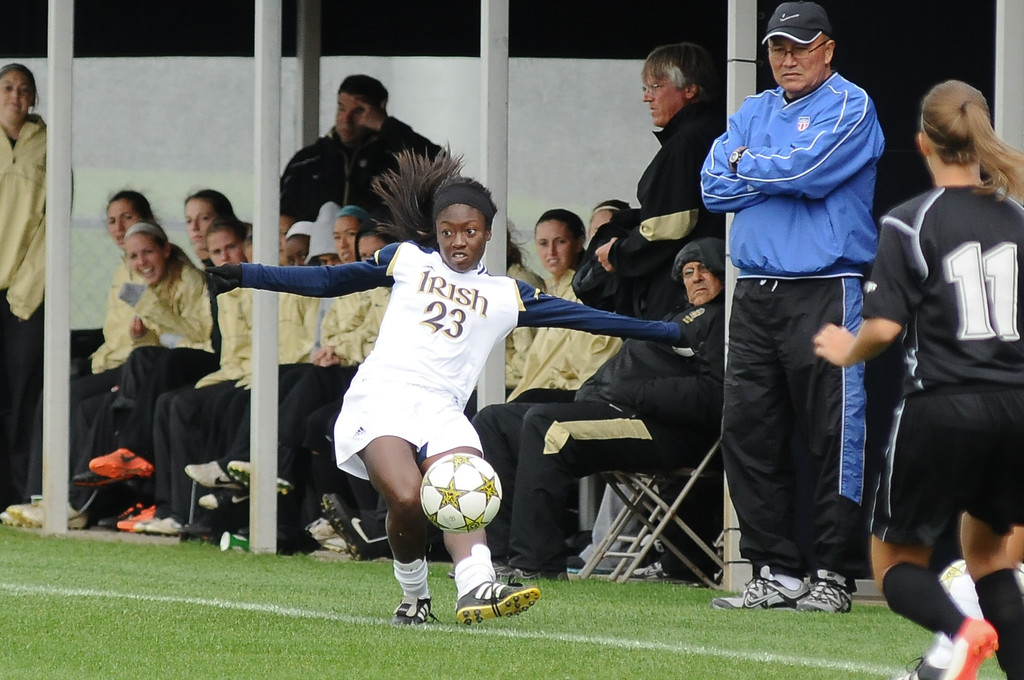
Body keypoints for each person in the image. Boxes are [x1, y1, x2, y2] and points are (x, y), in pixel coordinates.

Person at [208, 150, 687, 626]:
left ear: (488, 234)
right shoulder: (407, 259)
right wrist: (247, 274)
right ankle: (414, 595)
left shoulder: (506, 295)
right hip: (382, 397)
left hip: (441, 409)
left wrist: (675, 332)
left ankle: (475, 587)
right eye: (448, 232)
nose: (459, 242)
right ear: (436, 232)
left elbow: (592, 319)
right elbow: (331, 279)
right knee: (410, 497)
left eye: (471, 232)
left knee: (465, 486)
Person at [813, 79, 1024, 679]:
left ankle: (961, 634)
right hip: (1013, 408)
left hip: (941, 406)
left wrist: (846, 348)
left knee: (894, 564)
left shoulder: (910, 223)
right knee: (990, 561)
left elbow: (882, 327)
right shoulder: (1020, 218)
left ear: (922, 144)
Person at [700, 1, 886, 613]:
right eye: (778, 48)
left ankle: (832, 574)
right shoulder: (752, 109)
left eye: (799, 48)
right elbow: (709, 185)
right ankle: (775, 569)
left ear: (826, 50)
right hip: (754, 290)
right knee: (749, 431)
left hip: (825, 287)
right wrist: (760, 170)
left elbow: (809, 172)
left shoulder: (851, 104)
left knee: (833, 433)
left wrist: (746, 165)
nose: (787, 59)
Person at [475, 237, 724, 578]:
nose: (696, 277)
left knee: (548, 425)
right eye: (689, 271)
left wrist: (639, 393)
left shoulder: (724, 321)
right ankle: (496, 556)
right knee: (494, 420)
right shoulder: (676, 315)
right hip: (611, 404)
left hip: (661, 428)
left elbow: (714, 396)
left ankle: (535, 562)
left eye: (706, 270)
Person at [580, 42, 724, 321]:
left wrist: (619, 253)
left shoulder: (686, 142)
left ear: (690, 89)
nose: (647, 98)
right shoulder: (716, 131)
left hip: (679, 302)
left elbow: (669, 225)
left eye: (655, 87)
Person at [278, 74, 441, 234]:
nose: (346, 119)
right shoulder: (307, 161)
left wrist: (386, 125)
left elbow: (439, 164)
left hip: (375, 256)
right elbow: (280, 212)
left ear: (380, 108)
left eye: (358, 111)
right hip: (316, 258)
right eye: (341, 108)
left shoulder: (395, 158)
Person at [506, 209, 621, 404]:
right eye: (543, 243)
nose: (551, 252)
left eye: (560, 242)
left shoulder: (583, 295)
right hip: (528, 384)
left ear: (579, 242)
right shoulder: (552, 288)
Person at [0, 63, 46, 508]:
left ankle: (16, 496)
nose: (16, 95)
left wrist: (26, 291)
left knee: (21, 394)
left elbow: (51, 225)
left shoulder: (48, 144)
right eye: (8, 87)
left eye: (24, 89)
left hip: (23, 294)